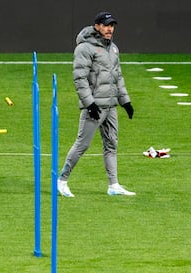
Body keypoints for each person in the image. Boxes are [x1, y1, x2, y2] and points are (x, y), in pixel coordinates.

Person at [57, 11, 135, 197]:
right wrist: (89, 103)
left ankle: (113, 185)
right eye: (106, 25)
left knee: (111, 145)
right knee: (82, 144)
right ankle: (61, 180)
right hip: (94, 107)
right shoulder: (84, 48)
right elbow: (80, 79)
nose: (110, 29)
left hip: (111, 106)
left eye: (112, 25)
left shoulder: (113, 49)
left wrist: (125, 101)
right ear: (97, 26)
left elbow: (118, 77)